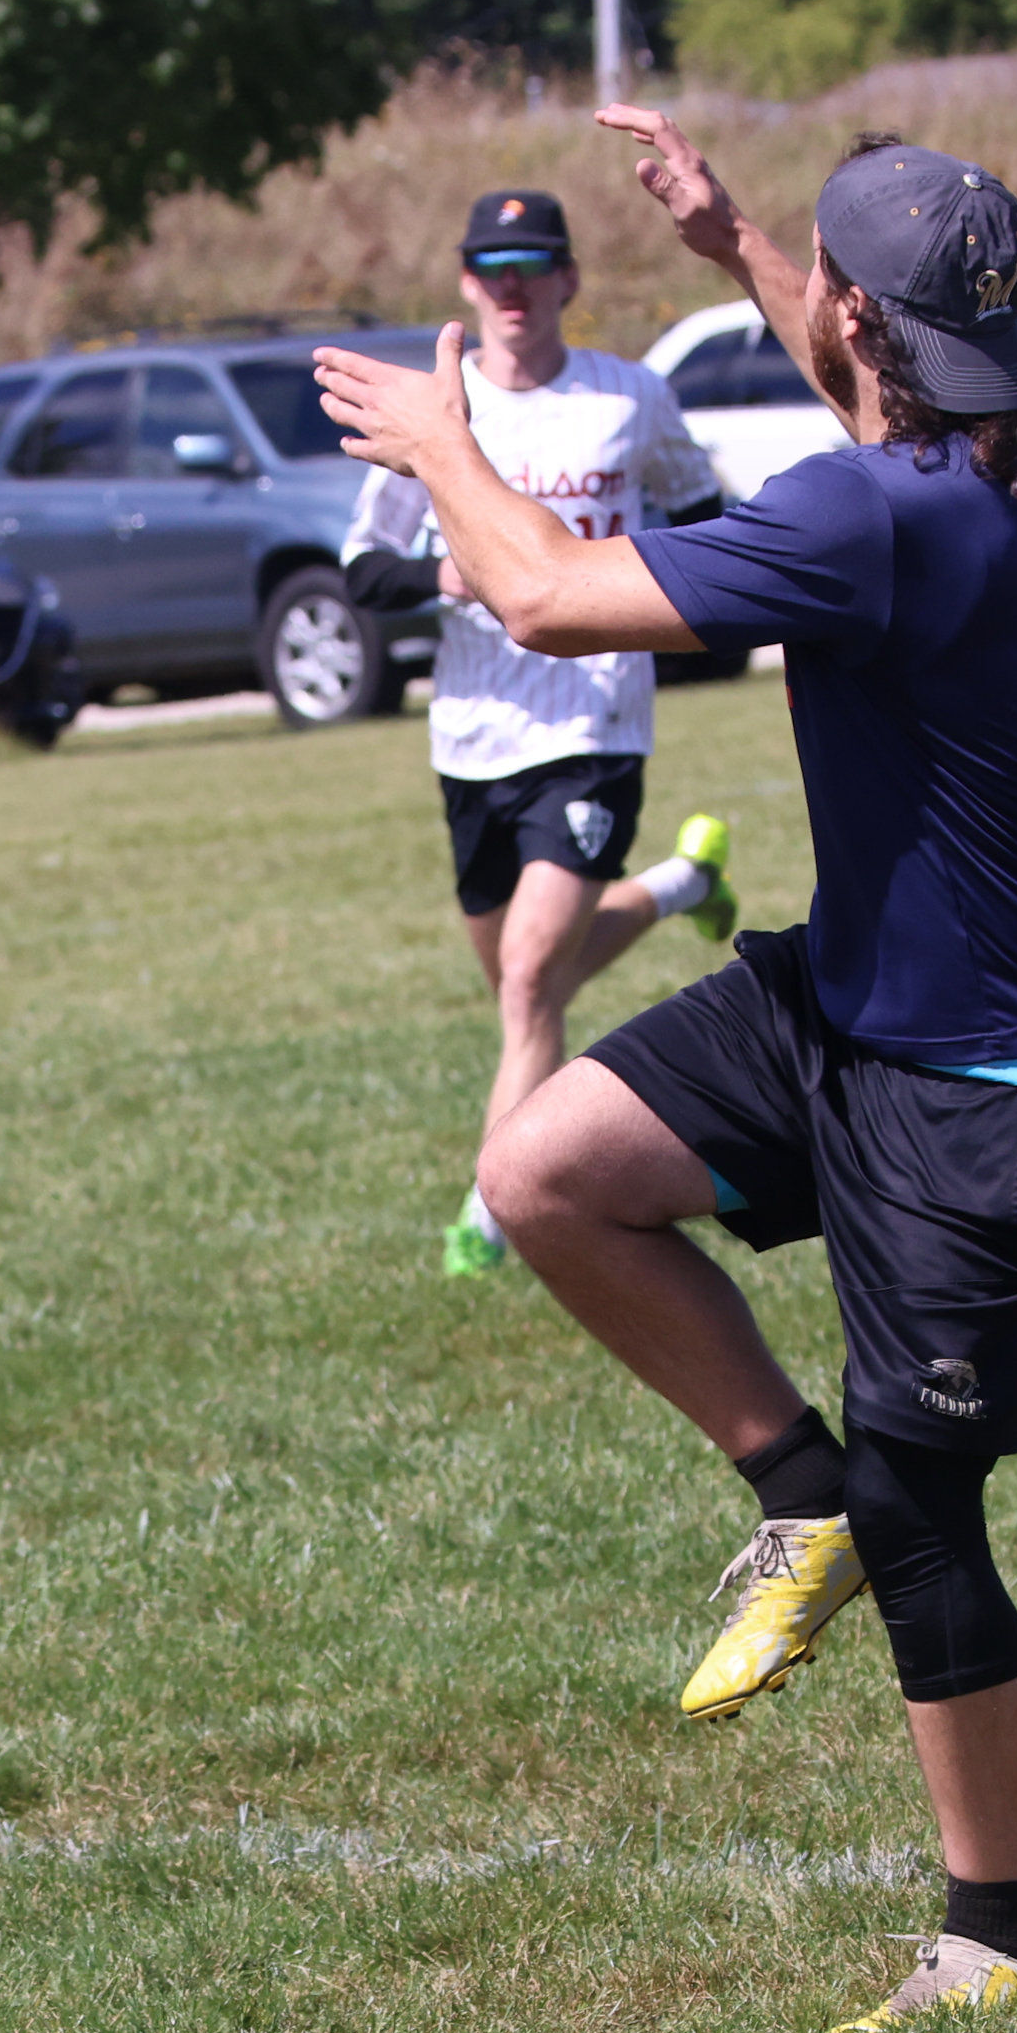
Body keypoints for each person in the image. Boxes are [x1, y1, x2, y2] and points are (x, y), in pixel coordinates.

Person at [315, 118, 1017, 2033]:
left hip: (1006, 1080)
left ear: (861, 316)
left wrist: (440, 441)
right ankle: (804, 1489)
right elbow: (855, 366)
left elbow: (546, 598)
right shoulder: (1000, 451)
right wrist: (728, 246)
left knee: (930, 1505)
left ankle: (1001, 1943)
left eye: (820, 290)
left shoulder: (877, 518)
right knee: (543, 1171)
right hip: (857, 1000)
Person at [339, 188, 737, 1279]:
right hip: (473, 732)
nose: (512, 286)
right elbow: (362, 569)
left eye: (533, 264)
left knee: (526, 981)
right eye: (492, 266)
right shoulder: (438, 409)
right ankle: (683, 887)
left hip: (596, 715)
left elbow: (701, 515)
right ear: (467, 283)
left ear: (568, 278)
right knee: (530, 985)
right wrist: (454, 574)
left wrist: (652, 599)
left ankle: (492, 1210)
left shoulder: (630, 396)